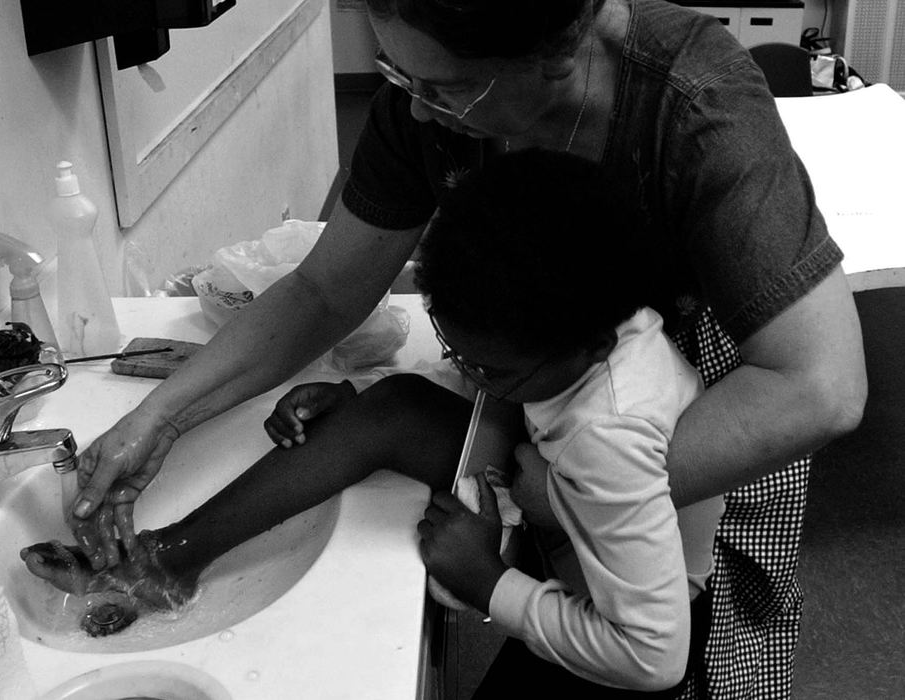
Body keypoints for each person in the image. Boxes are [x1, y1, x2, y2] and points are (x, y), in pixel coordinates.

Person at [63, 1, 867, 696]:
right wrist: (160, 420)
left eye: (443, 87)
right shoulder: (439, 115)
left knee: (635, 635)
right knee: (393, 415)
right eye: (397, 74)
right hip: (560, 409)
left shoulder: (691, 107)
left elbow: (818, 387)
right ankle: (173, 554)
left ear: (554, 54)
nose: (415, 112)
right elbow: (325, 290)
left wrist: (559, 496)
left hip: (678, 439)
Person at [26, 150, 721, 694]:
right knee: (392, 409)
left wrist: (489, 583)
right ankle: (163, 560)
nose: (473, 375)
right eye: (460, 355)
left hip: (619, 626)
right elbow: (512, 386)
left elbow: (652, 657)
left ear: (591, 345)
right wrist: (365, 393)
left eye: (491, 370)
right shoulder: (586, 317)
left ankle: (165, 562)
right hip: (576, 522)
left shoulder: (608, 436)